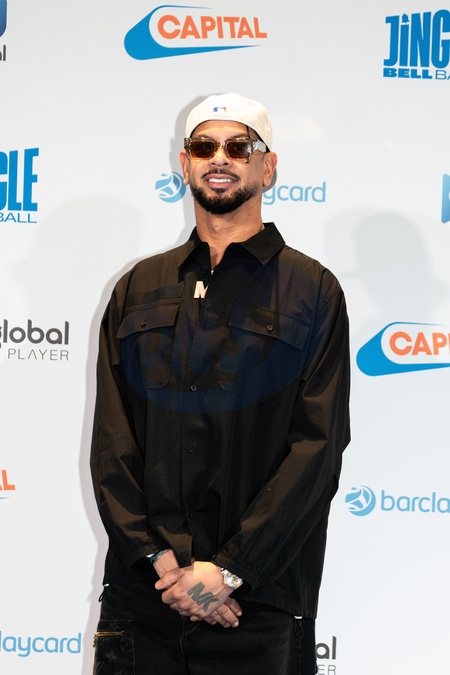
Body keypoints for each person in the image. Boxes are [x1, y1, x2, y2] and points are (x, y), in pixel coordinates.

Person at [90, 93, 350, 675]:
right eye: (205, 146)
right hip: (144, 598)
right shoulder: (138, 287)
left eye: (239, 146)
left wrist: (229, 570)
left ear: (267, 166)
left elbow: (319, 446)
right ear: (184, 164)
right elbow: (112, 439)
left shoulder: (313, 290)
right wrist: (156, 558)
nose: (220, 158)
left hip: (257, 604)